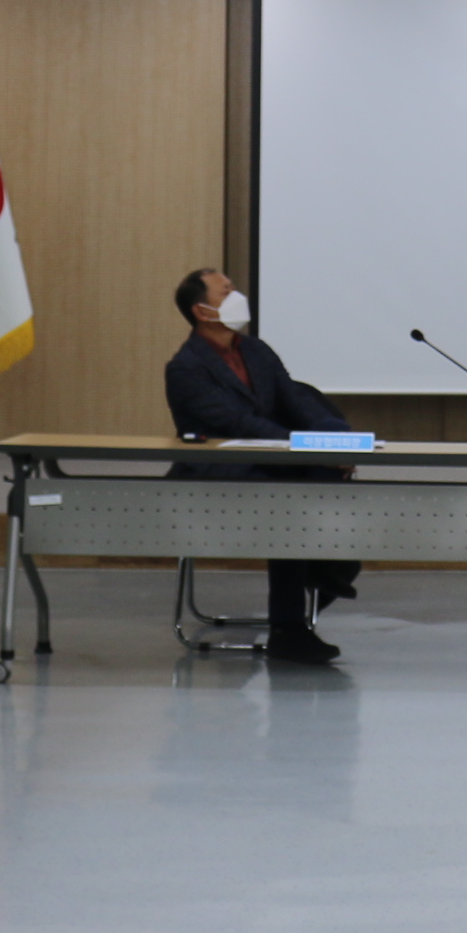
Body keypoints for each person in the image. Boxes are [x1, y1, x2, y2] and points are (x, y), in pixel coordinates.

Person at [163, 268, 361, 665]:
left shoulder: (256, 350)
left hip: (271, 463)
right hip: (220, 476)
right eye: (226, 292)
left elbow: (295, 400)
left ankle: (324, 577)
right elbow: (239, 423)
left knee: (320, 464)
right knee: (289, 501)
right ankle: (302, 610)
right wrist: (302, 449)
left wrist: (332, 440)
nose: (237, 297)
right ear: (202, 311)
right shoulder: (186, 367)